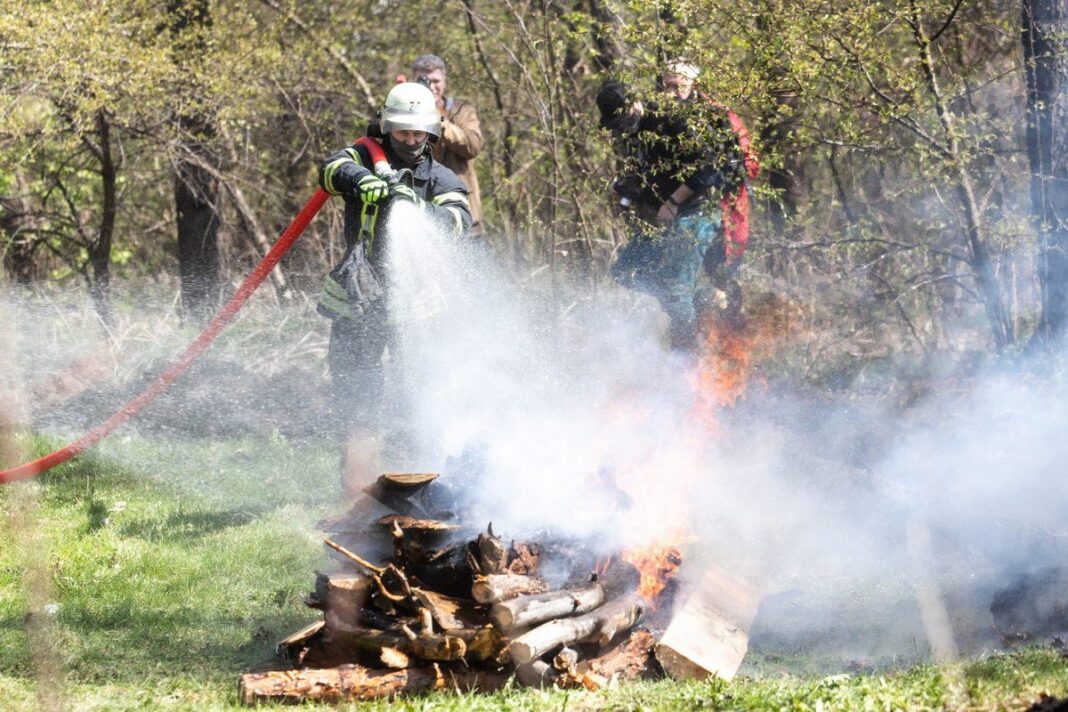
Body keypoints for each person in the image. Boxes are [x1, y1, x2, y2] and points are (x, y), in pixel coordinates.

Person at [317, 81, 472, 500]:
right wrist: (358, 179)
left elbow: (460, 221)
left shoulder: (440, 177)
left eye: (417, 134)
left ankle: (421, 495)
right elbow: (330, 169)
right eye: (401, 132)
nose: (409, 140)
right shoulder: (364, 156)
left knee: (417, 399)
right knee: (357, 401)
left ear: (431, 134)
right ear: (388, 128)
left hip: (414, 310)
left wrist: (418, 207)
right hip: (357, 301)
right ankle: (357, 500)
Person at [600, 60, 758, 352]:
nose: (671, 91)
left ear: (692, 84)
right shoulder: (651, 118)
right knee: (626, 270)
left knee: (676, 290)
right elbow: (657, 166)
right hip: (663, 216)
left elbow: (710, 169)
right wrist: (631, 186)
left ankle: (687, 357)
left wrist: (673, 201)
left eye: (678, 84)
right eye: (667, 84)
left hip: (697, 214)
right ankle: (698, 301)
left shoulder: (697, 119)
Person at [409, 53, 486, 235]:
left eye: (436, 81)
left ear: (444, 81)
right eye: (424, 81)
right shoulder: (405, 114)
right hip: (421, 218)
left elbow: (473, 147)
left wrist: (438, 121)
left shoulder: (462, 111)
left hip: (465, 214)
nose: (431, 87)